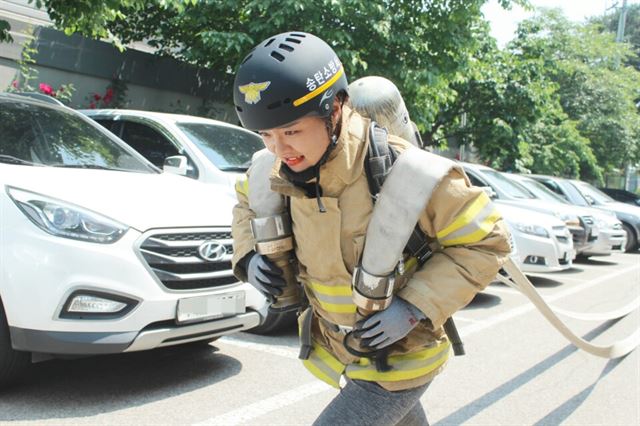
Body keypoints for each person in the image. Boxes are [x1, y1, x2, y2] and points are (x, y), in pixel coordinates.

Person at [231, 32, 512, 426]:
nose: (280, 150)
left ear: (335, 108)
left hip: (403, 352)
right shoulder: (271, 169)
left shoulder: (408, 173)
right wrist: (248, 255)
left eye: (291, 131)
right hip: (346, 348)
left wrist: (415, 307)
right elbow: (245, 204)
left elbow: (486, 242)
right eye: (267, 135)